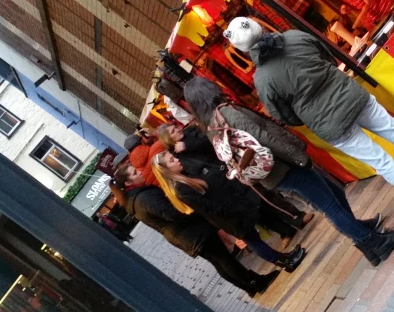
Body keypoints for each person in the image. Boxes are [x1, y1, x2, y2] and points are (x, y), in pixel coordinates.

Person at [223, 17, 394, 225]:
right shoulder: (295, 36)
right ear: (258, 26)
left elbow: (283, 116)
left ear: (243, 49)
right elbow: (328, 58)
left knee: (381, 162)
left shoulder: (263, 79)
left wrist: (308, 113)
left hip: (329, 123)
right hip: (351, 95)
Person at [183, 77, 394, 266]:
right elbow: (264, 137)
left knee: (334, 194)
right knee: (328, 204)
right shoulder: (227, 113)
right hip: (283, 165)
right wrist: (297, 155)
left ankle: (362, 233)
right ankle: (372, 242)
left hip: (269, 173)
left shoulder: (211, 127)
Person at [110, 159, 278, 297]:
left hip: (187, 235)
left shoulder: (135, 200)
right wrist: (194, 212)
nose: (139, 172)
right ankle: (256, 282)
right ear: (129, 183)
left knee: (220, 261)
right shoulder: (143, 198)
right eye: (134, 173)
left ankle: (249, 286)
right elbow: (172, 213)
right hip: (192, 232)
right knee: (224, 260)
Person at [150, 151, 306, 273]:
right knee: (253, 240)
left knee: (254, 237)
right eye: (172, 161)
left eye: (173, 158)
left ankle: (285, 258)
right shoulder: (181, 189)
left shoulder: (185, 179)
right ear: (167, 171)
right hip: (227, 217)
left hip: (230, 210)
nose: (176, 160)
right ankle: (285, 262)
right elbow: (207, 207)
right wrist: (230, 210)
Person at [157, 122, 313, 238]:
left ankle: (297, 217)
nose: (177, 130)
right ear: (168, 139)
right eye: (172, 131)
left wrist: (188, 145)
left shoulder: (192, 134)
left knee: (265, 197)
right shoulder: (175, 157)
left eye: (175, 127)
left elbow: (210, 143)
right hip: (219, 186)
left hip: (230, 171)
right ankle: (285, 231)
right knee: (254, 209)